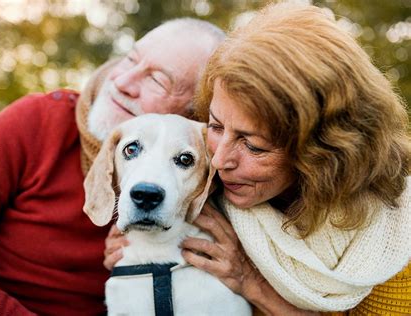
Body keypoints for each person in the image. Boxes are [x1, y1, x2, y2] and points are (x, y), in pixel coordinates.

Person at [102, 3, 411, 315]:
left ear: (322, 153)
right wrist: (141, 250)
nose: (219, 160)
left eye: (254, 146)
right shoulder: (206, 185)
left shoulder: (394, 244)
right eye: (216, 126)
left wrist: (251, 282)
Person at [0, 18, 225, 315]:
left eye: (157, 80)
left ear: (193, 116)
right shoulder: (39, 121)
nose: (122, 83)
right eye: (131, 59)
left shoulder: (212, 185)